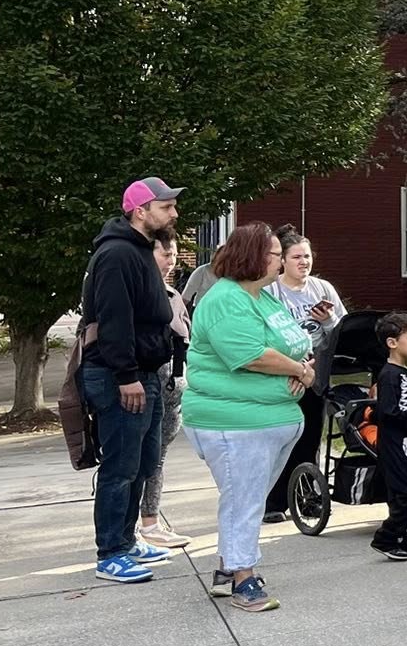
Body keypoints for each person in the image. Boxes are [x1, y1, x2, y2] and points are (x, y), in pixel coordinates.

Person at [180, 222, 315, 612]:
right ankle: (243, 579)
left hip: (270, 419)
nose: (280, 260)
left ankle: (228, 569)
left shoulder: (263, 298)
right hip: (234, 423)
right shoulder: (226, 300)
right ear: (254, 257)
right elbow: (251, 355)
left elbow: (296, 342)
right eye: (275, 254)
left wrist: (303, 367)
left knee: (244, 498)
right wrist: (299, 370)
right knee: (245, 501)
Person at [82, 176, 184, 584]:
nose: (174, 213)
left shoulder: (140, 248)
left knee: (142, 462)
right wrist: (126, 375)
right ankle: (110, 553)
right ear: (140, 211)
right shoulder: (116, 254)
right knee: (120, 466)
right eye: (166, 206)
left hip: (147, 373)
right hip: (120, 376)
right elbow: (114, 321)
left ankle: (127, 541)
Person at [261, 226, 348, 522]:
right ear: (282, 260)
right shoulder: (270, 292)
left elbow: (344, 333)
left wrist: (329, 320)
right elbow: (263, 334)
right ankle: (273, 501)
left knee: (310, 439)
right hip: (282, 374)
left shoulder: (322, 289)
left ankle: (307, 497)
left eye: (307, 256)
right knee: (281, 438)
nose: (303, 262)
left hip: (315, 373)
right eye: (297, 257)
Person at [136, 230, 193, 549]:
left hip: (173, 392)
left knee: (157, 458)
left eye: (173, 255)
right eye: (164, 254)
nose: (170, 261)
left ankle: (151, 522)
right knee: (135, 460)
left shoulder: (173, 295)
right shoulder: (137, 293)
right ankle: (126, 528)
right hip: (142, 390)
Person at [369, 312, 407, 562]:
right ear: (392, 343)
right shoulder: (389, 375)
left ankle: (404, 539)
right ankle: (385, 538)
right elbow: (387, 412)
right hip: (395, 444)